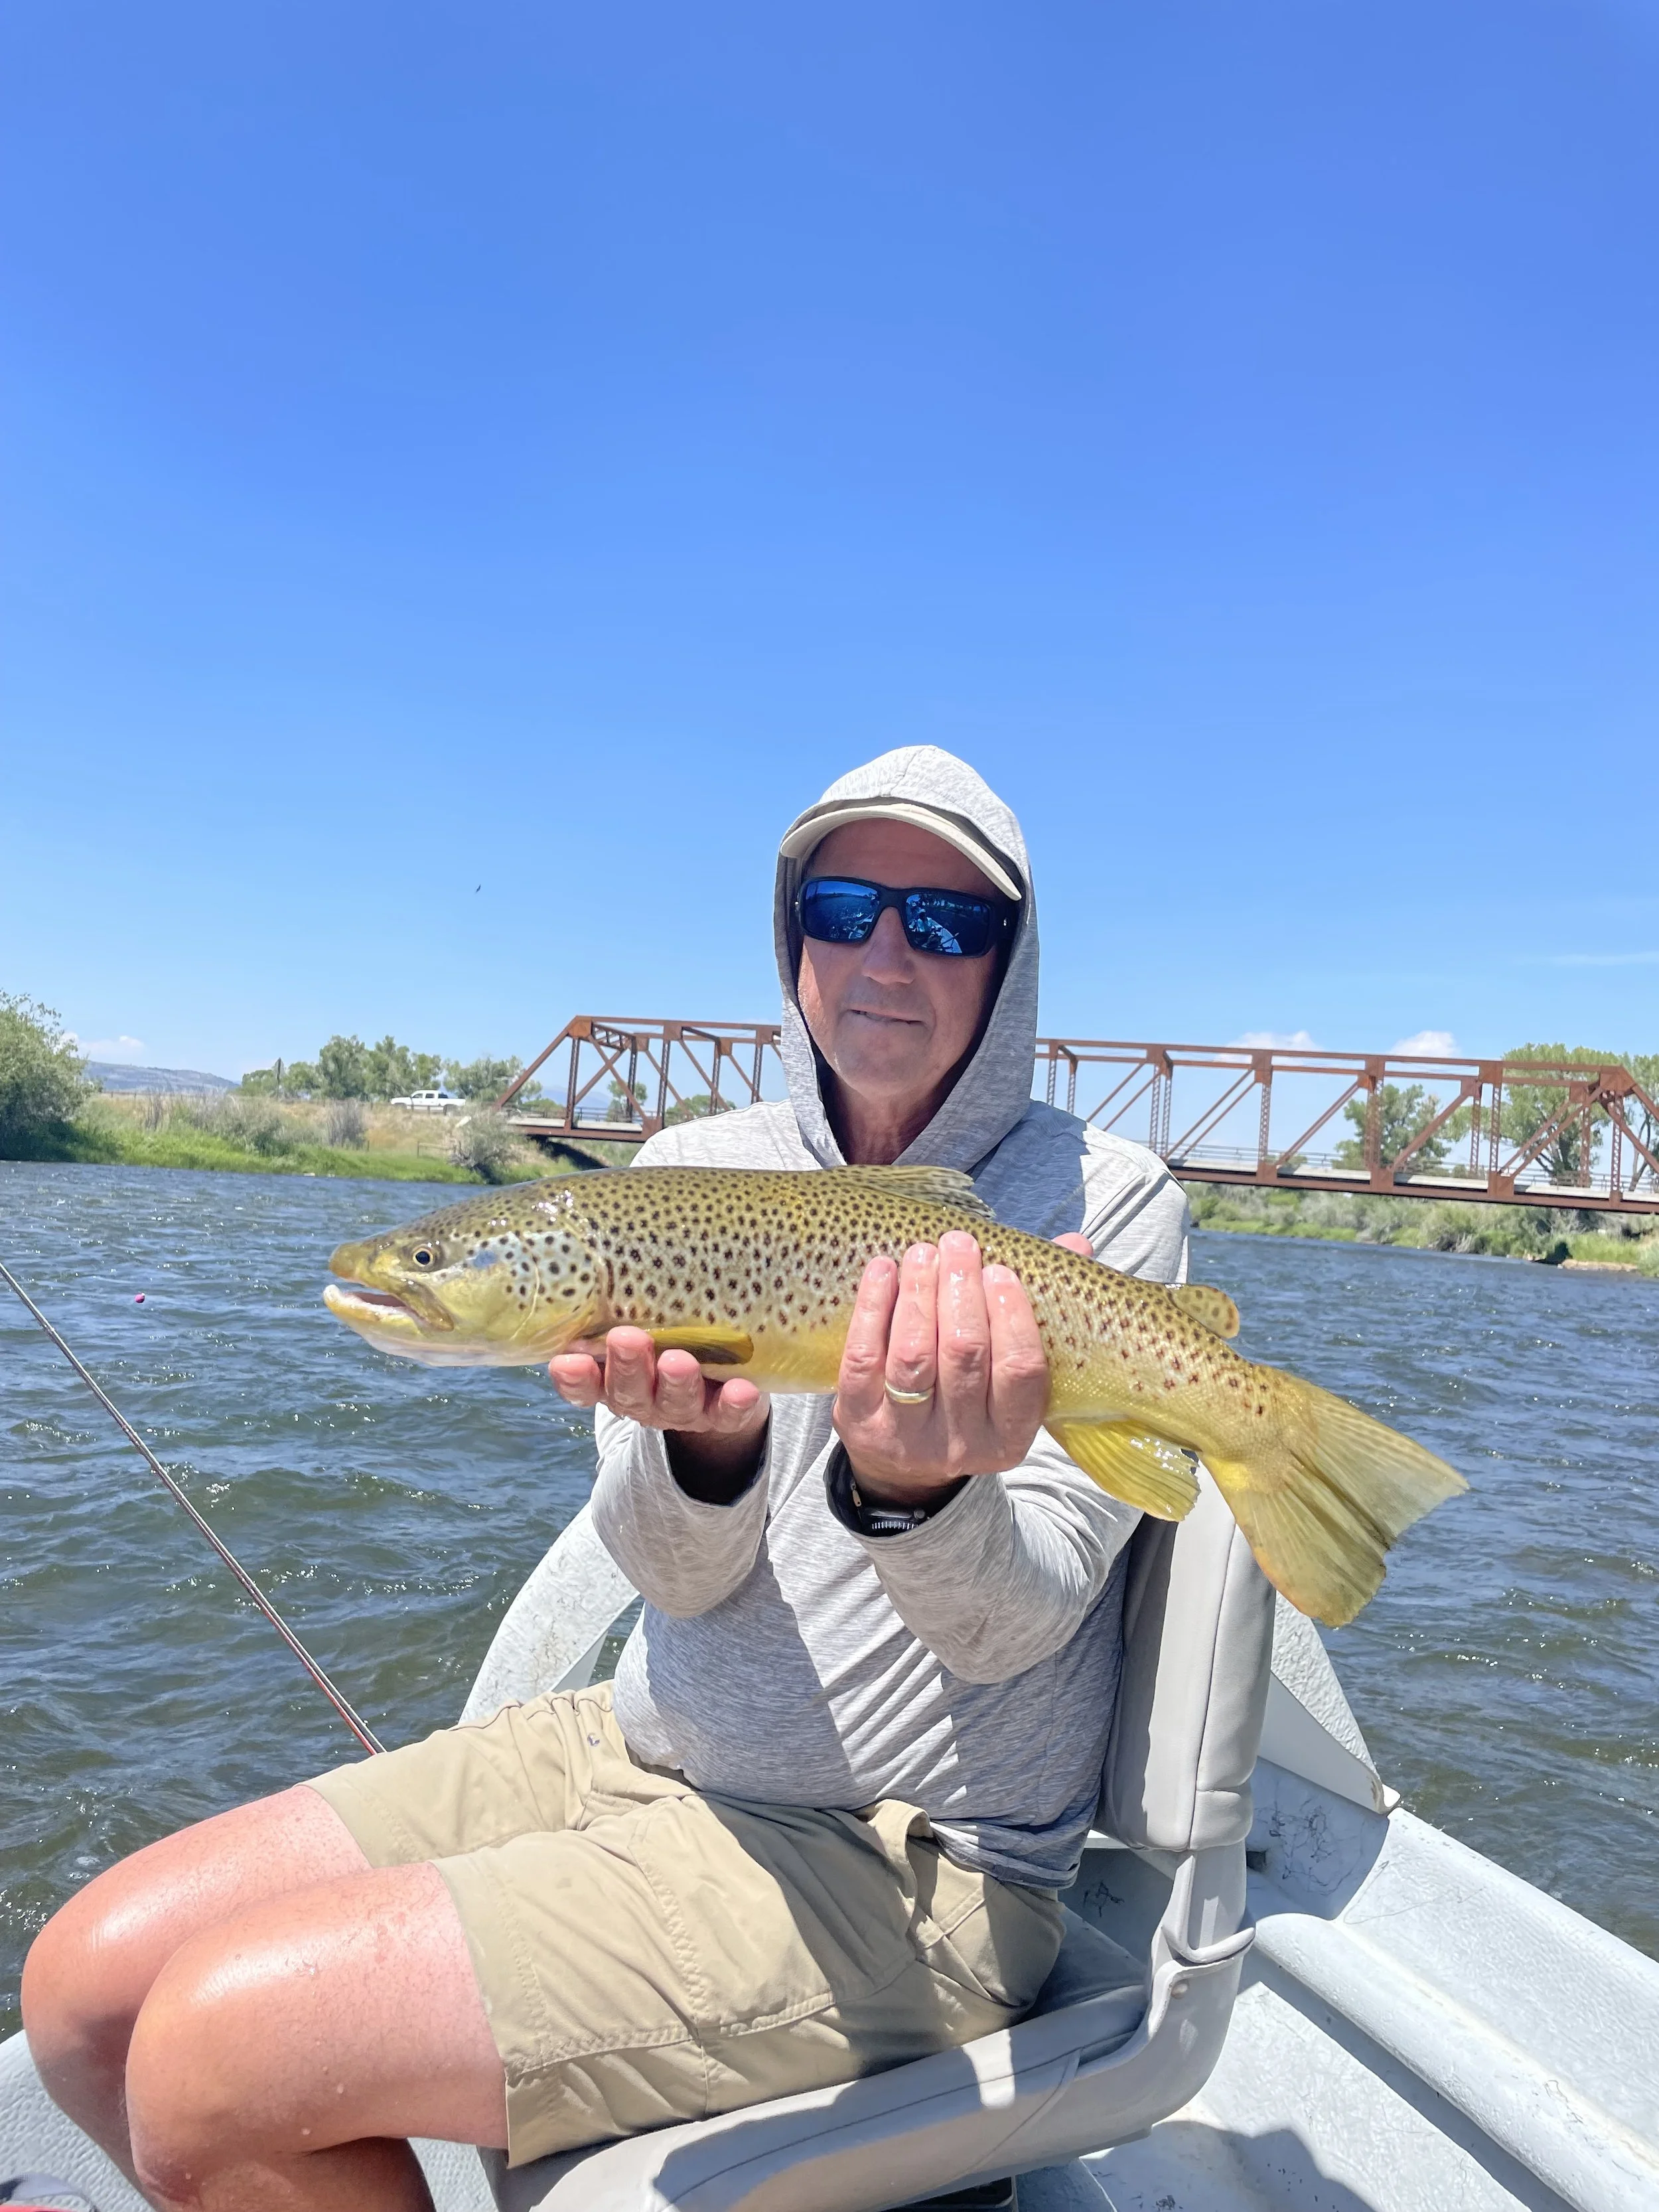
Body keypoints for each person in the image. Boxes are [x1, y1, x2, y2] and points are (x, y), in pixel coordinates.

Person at [21, 747, 1190, 2211]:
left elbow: (1014, 1628)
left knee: (211, 2065)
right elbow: (679, 1578)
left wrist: (912, 1486)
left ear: (1008, 963)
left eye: (945, 923)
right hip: (640, 1746)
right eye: (844, 908)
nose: (886, 954)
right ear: (792, 938)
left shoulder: (1101, 1207)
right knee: (85, 1990)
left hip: (910, 1864)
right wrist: (704, 1444)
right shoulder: (687, 1170)